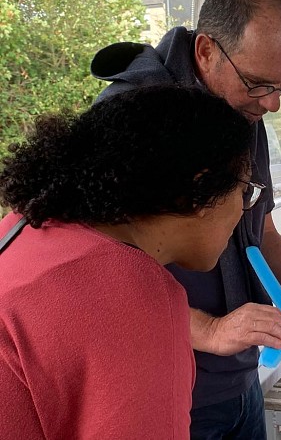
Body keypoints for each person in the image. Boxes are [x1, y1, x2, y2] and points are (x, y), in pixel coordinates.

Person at [90, 0, 281, 439]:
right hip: (169, 390)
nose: (273, 104)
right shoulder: (131, 116)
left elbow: (260, 226)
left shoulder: (243, 108)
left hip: (240, 382)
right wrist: (209, 332)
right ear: (206, 51)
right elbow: (99, 275)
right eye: (260, 83)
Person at [0, 85, 253, 438]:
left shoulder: (20, 227)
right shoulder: (133, 297)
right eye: (244, 190)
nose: (244, 208)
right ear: (200, 193)